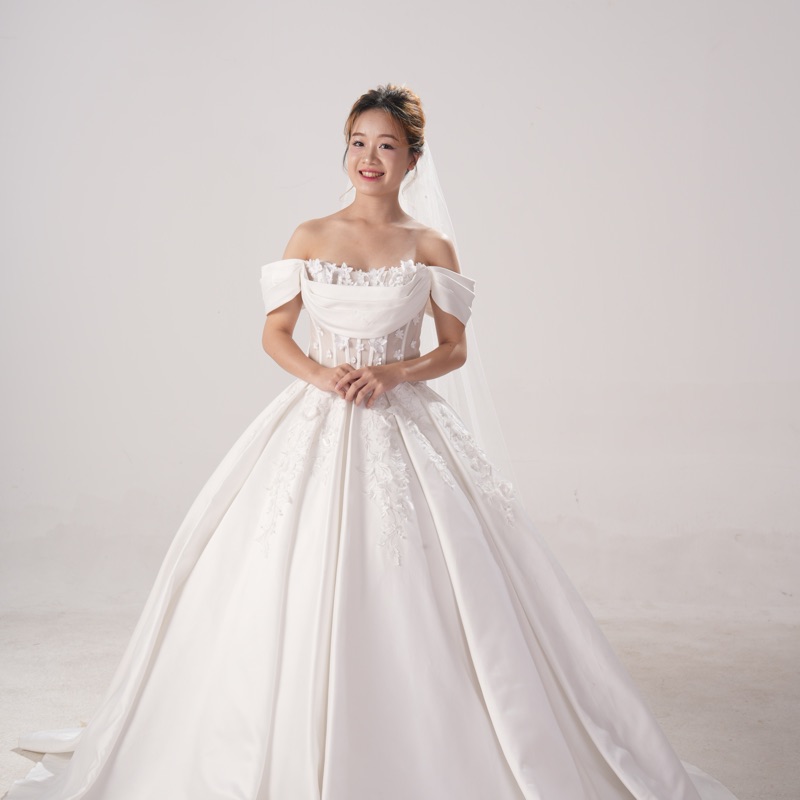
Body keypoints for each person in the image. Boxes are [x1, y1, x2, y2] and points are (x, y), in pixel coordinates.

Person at [4, 84, 739, 800]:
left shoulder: (430, 245)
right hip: (317, 415)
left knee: (435, 581)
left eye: (386, 146)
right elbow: (275, 333)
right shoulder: (309, 236)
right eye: (358, 142)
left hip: (404, 417)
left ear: (413, 158)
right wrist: (324, 375)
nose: (368, 158)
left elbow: (454, 349)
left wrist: (393, 372)